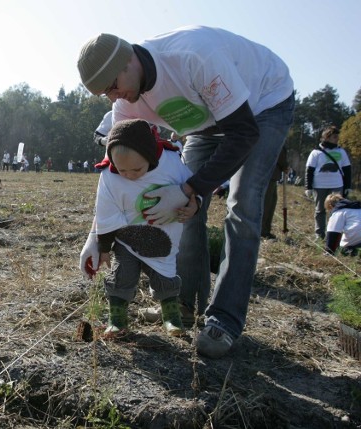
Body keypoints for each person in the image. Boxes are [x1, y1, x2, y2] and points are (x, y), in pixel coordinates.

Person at [77, 26, 295, 358]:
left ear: (127, 61)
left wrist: (190, 188)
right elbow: (115, 175)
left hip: (261, 106)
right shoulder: (126, 107)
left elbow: (243, 134)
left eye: (113, 87)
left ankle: (224, 320)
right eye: (104, 94)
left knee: (243, 206)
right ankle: (186, 302)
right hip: (206, 124)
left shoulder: (192, 58)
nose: (113, 97)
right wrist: (97, 235)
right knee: (182, 208)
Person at [93, 119, 198, 337]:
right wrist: (103, 247)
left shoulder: (170, 163)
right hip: (126, 238)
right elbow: (105, 214)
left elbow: (192, 189)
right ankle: (117, 320)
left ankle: (172, 317)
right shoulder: (109, 177)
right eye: (123, 170)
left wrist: (193, 206)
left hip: (163, 235)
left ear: (150, 156)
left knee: (165, 277)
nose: (129, 175)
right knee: (122, 275)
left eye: (136, 169)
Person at [305, 126, 352, 240]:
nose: (337, 139)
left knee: (336, 211)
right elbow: (309, 170)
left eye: (337, 137)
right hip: (319, 186)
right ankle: (319, 234)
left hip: (337, 185)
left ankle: (334, 235)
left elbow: (347, 170)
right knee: (320, 210)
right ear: (327, 137)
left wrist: (347, 186)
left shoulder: (341, 152)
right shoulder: (316, 152)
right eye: (334, 137)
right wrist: (308, 187)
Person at [261, 146, 289, 239]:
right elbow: (278, 152)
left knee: (270, 202)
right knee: (267, 204)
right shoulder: (276, 134)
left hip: (270, 174)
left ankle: (265, 230)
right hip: (269, 174)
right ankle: (263, 231)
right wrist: (285, 166)